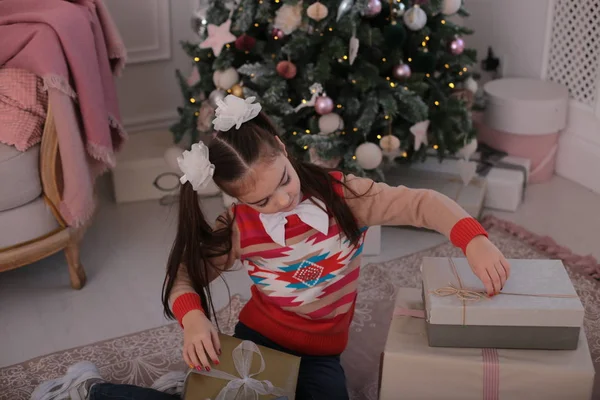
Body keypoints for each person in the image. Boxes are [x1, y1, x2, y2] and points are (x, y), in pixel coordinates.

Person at [32, 95, 510, 400]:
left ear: (283, 148)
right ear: (236, 200)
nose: (283, 200)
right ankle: (88, 390)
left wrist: (476, 243)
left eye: (284, 180)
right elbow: (185, 271)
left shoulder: (347, 196)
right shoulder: (238, 228)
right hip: (257, 342)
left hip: (323, 356)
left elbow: (424, 203)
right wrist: (193, 317)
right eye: (261, 200)